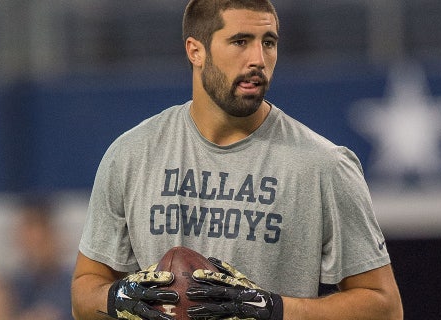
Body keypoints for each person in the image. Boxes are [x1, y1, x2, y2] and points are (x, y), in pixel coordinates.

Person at [71, 0, 403, 319]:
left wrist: (274, 309)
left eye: (268, 42)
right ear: (195, 50)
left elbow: (385, 308)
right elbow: (83, 294)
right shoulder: (131, 154)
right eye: (240, 41)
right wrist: (120, 298)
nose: (258, 58)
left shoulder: (324, 166)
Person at [0, 196, 73, 320]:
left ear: (54, 236)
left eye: (41, 239)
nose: (33, 245)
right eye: (27, 236)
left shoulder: (72, 285)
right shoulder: (11, 285)